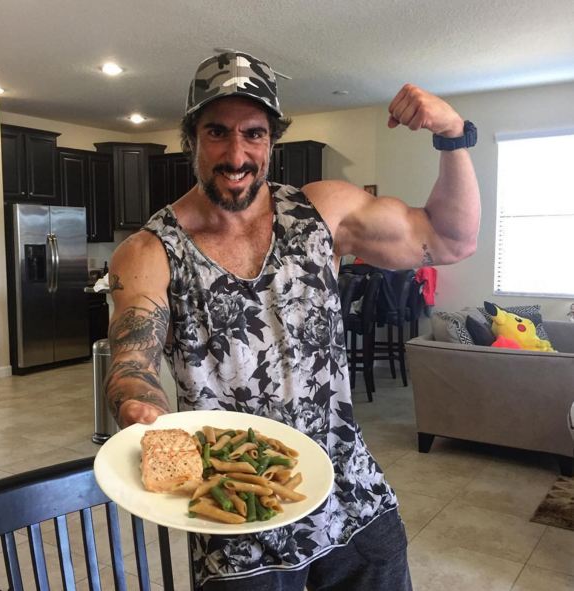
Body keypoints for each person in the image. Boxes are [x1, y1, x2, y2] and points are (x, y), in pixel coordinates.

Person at [105, 51, 480, 590]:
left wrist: (452, 136)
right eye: (217, 132)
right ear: (192, 140)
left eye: (254, 134)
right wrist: (139, 405)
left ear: (272, 141)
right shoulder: (150, 250)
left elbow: (451, 240)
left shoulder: (322, 213)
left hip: (349, 485)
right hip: (234, 503)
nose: (237, 154)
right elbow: (132, 360)